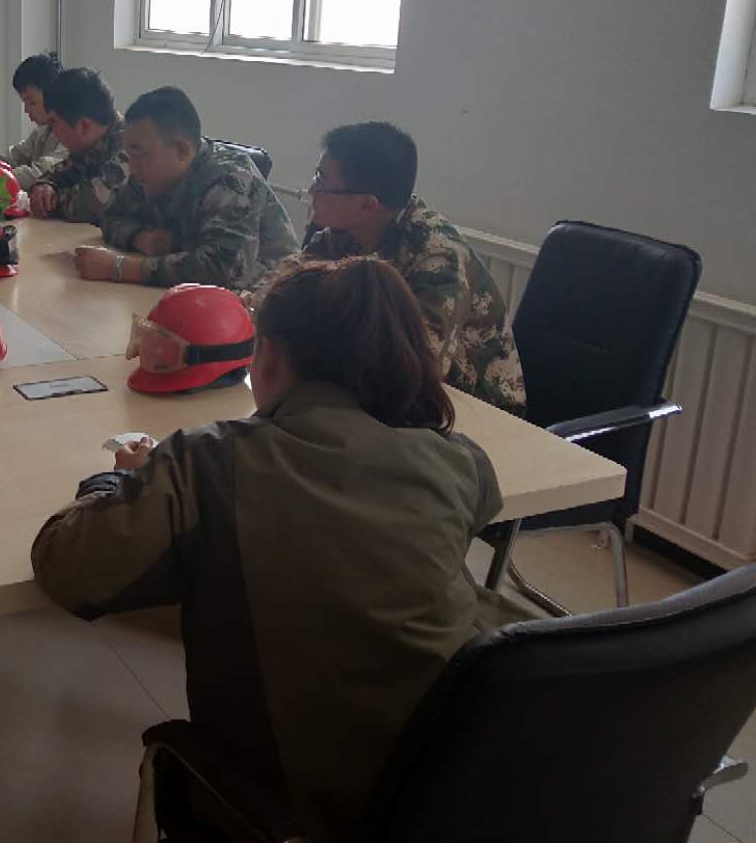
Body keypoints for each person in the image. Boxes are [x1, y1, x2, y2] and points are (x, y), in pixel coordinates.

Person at [32, 256, 527, 843]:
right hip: (468, 780)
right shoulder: (457, 458)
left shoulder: (208, 460)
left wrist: (118, 481)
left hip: (312, 811)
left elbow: (67, 568)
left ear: (265, 354)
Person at [262, 120, 525, 415]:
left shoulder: (438, 256)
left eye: (322, 181)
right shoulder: (342, 233)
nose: (311, 190)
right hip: (379, 391)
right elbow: (285, 293)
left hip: (472, 408)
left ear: (367, 205)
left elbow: (418, 364)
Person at [72, 86, 299, 288]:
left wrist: (120, 267)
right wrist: (140, 237)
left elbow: (223, 267)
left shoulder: (230, 177)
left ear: (182, 150)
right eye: (129, 154)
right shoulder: (150, 175)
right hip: (189, 296)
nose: (132, 166)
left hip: (268, 301)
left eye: (139, 153)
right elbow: (111, 215)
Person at [27, 67, 129, 224]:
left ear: (84, 125)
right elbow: (60, 173)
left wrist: (51, 201)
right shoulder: (91, 143)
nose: (52, 130)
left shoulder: (131, 147)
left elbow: (89, 204)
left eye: (54, 122)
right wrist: (45, 187)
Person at [2, 51, 67, 190]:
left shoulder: (72, 132)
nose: (26, 110)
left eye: (31, 102)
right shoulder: (42, 131)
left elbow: (41, 173)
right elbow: (12, 157)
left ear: (53, 96)